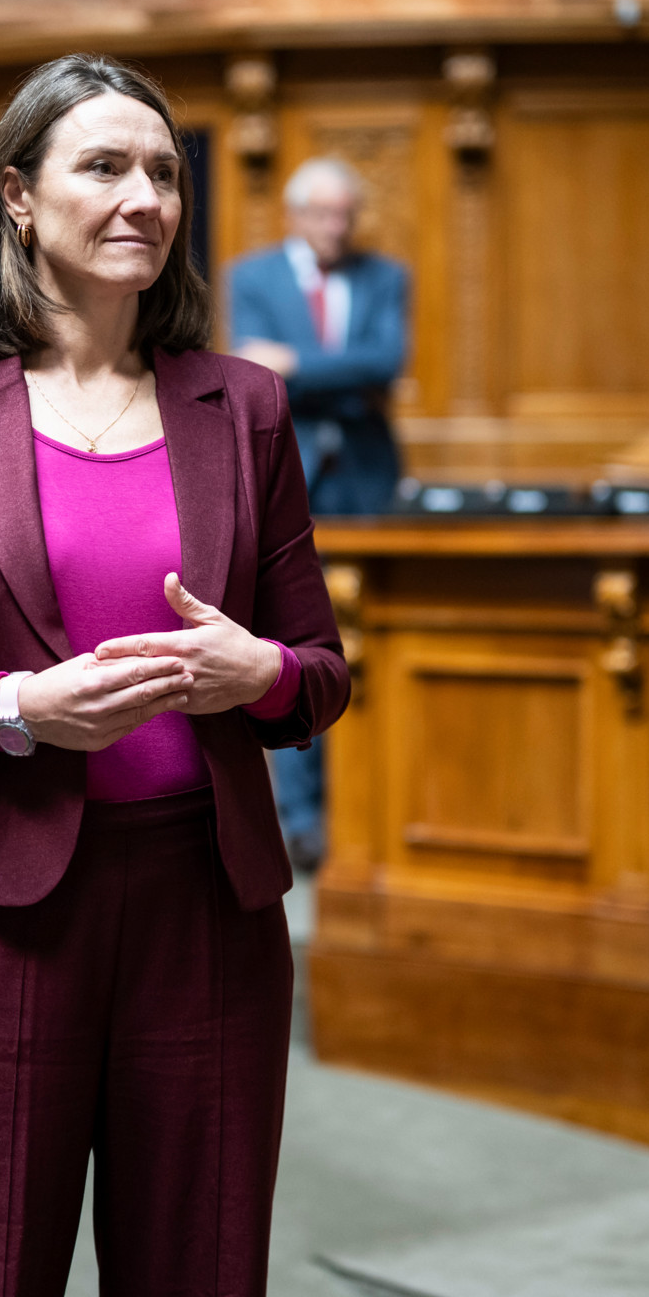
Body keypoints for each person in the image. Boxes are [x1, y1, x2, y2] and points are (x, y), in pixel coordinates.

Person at [0, 54, 347, 1297]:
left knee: (197, 1279)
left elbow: (316, 675)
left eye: (162, 171)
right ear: (16, 199)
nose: (142, 196)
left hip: (206, 913)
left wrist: (257, 672)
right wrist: (6, 709)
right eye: (102, 166)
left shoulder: (243, 408)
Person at [225, 156, 409, 871]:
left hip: (368, 481)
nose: (336, 228)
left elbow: (385, 359)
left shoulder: (385, 275)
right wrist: (334, 370)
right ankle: (302, 817)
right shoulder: (255, 274)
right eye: (323, 215)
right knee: (292, 644)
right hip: (288, 475)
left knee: (368, 641)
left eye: (346, 215)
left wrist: (301, 367)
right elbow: (256, 369)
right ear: (296, 215)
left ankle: (371, 804)